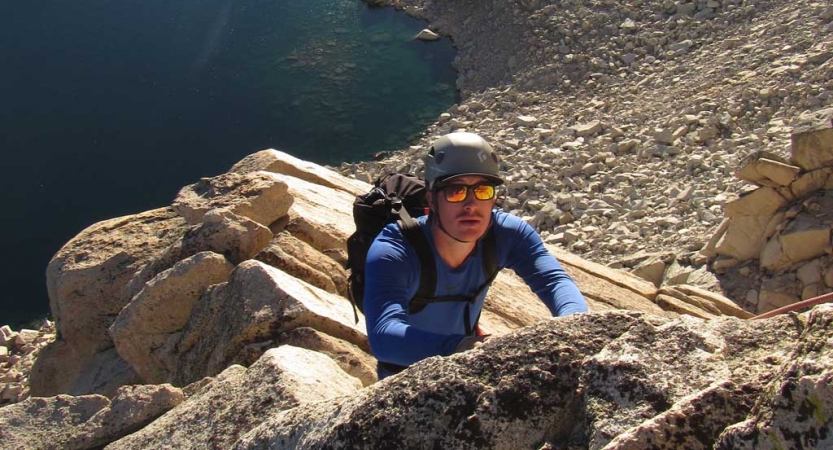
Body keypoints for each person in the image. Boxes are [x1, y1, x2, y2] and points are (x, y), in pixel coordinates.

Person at [363, 132, 588, 379]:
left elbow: (555, 282)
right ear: (432, 200)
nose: (471, 204)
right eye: (455, 191)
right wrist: (459, 349)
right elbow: (384, 336)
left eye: (483, 190)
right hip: (404, 379)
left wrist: (573, 326)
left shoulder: (508, 234)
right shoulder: (395, 250)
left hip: (469, 365)